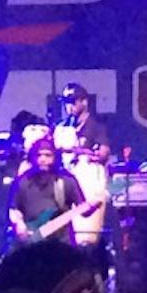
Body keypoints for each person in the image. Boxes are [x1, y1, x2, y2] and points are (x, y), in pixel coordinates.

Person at [53, 83, 110, 248]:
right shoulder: (62, 127)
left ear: (84, 102)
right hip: (65, 182)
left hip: (87, 183)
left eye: (72, 101)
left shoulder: (96, 126)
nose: (69, 106)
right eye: (66, 102)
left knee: (85, 236)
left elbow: (103, 153)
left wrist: (78, 150)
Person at [8, 136, 87, 246]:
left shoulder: (67, 180)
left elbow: (84, 210)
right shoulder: (22, 182)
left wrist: (91, 207)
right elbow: (14, 209)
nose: (43, 159)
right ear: (32, 157)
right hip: (33, 243)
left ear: (55, 157)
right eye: (39, 155)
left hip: (62, 245)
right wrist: (18, 224)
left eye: (48, 155)